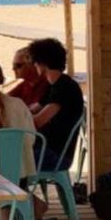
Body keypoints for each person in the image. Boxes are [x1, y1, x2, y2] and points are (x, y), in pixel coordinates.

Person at [29, 38, 85, 174]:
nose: (34, 65)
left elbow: (38, 121)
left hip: (55, 155)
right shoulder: (55, 85)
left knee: (4, 158)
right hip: (47, 150)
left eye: (35, 62)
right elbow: (32, 109)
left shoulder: (64, 88)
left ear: (42, 63)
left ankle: (17, 195)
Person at [6, 47, 50, 111]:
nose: (13, 68)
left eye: (18, 65)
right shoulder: (26, 83)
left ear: (33, 65)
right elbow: (5, 98)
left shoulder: (48, 86)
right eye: (13, 65)